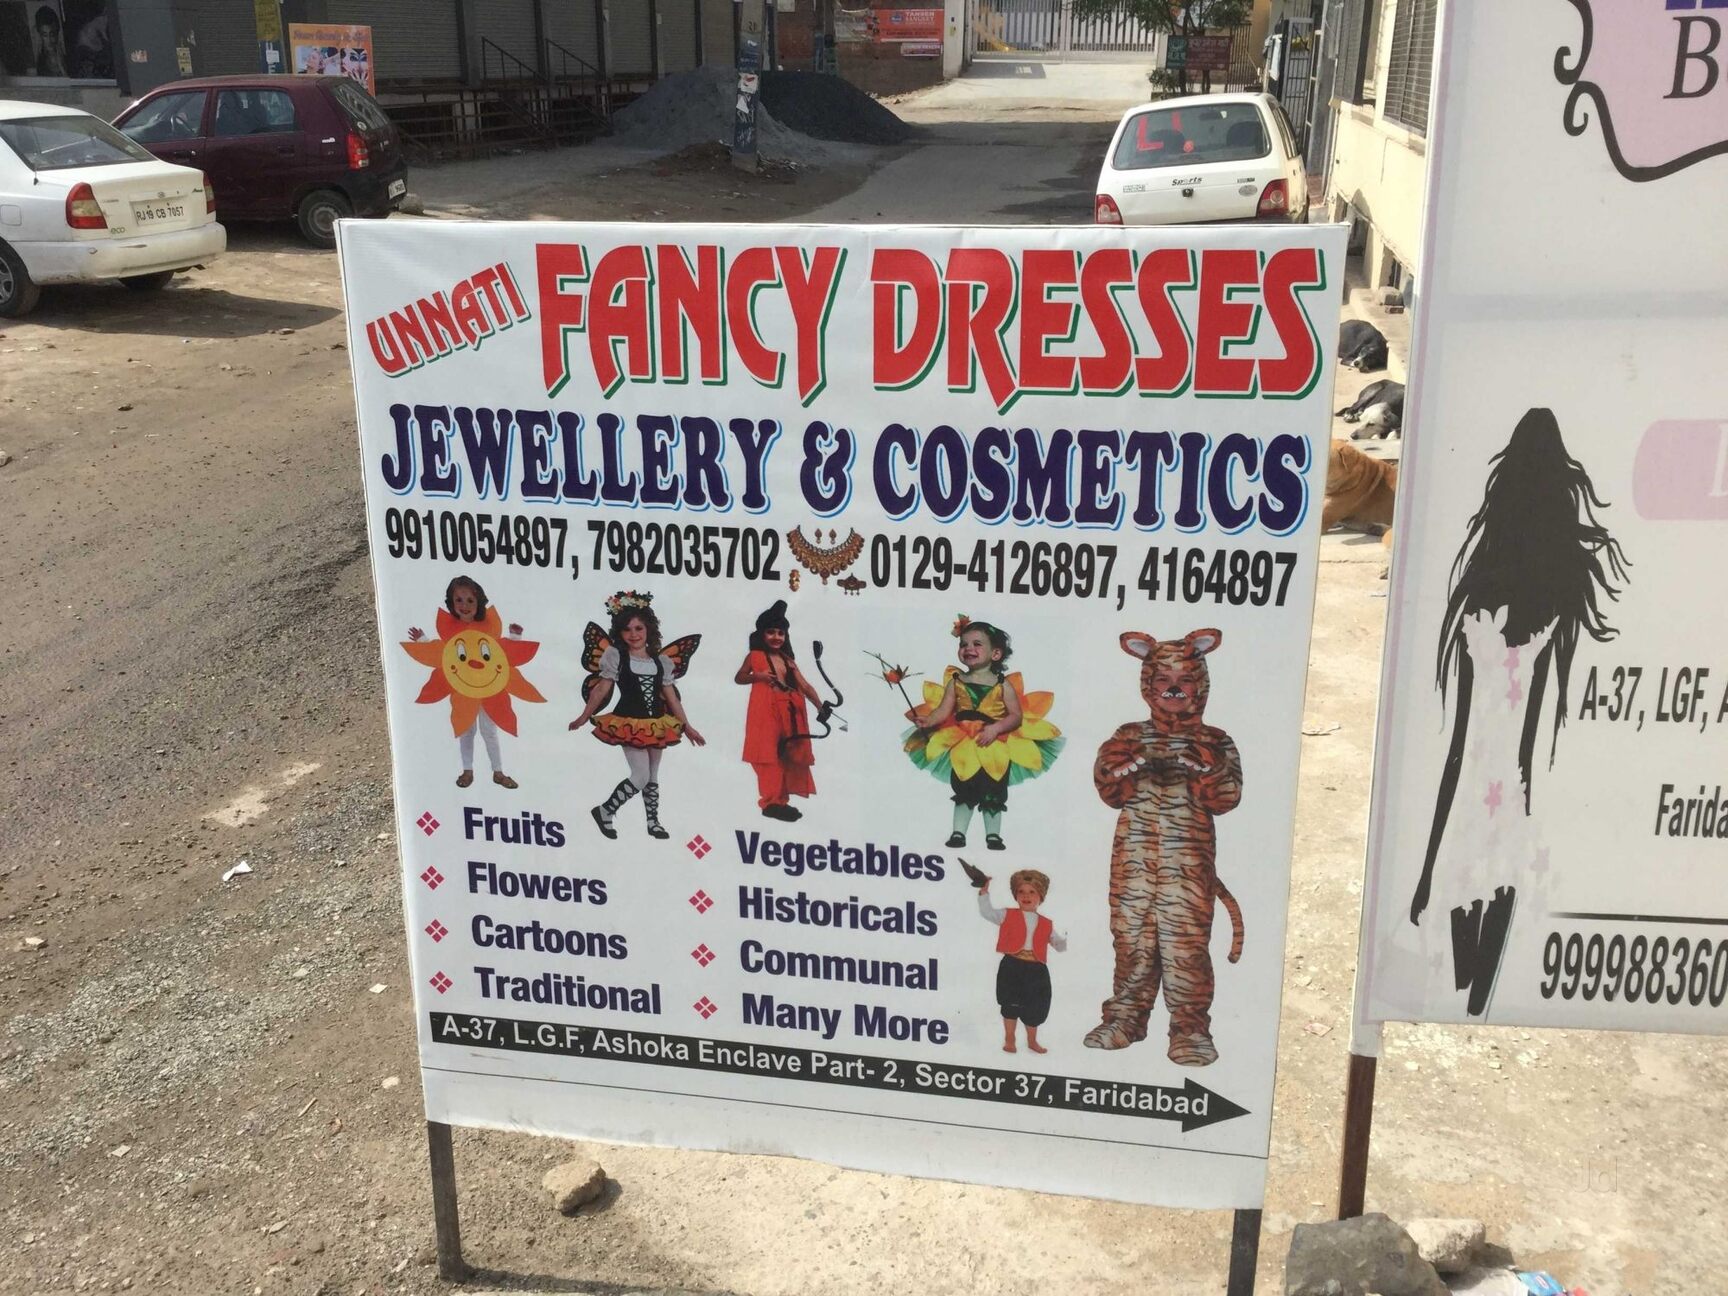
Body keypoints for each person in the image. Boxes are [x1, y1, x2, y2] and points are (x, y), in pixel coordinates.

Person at [902, 616, 1062, 850]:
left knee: (994, 789)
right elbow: (943, 711)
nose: (968, 648)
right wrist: (928, 720)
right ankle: (958, 832)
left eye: (977, 644)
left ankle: (993, 835)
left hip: (994, 744)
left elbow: (1015, 716)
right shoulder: (956, 681)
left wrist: (996, 728)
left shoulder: (1003, 685)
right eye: (963, 644)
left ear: (995, 654)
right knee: (963, 786)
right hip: (964, 743)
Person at [569, 591, 704, 840]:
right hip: (629, 722)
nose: (634, 634)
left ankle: (653, 822)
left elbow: (672, 698)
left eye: (639, 628)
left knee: (652, 776)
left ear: (648, 629)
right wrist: (584, 716)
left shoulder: (661, 661)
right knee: (640, 776)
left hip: (657, 723)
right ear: (620, 632)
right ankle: (605, 810)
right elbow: (601, 689)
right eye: (627, 629)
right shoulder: (616, 656)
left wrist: (688, 727)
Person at [406, 575, 527, 790]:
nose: (464, 605)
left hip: (489, 689)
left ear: (479, 601)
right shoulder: (453, 629)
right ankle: (467, 770)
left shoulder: (486, 626)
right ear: (451, 602)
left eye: (470, 600)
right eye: (459, 600)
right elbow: (443, 652)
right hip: (464, 690)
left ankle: (498, 772)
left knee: (489, 731)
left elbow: (500, 651)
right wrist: (422, 641)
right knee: (466, 730)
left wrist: (515, 637)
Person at [735, 600, 820, 822]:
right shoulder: (754, 656)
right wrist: (758, 677)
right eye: (771, 632)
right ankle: (771, 802)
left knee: (787, 756)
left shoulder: (788, 660)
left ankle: (780, 802)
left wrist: (820, 707)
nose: (776, 637)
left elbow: (805, 686)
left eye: (780, 633)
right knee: (767, 756)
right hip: (765, 714)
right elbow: (739, 677)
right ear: (762, 634)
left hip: (790, 715)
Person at [975, 869, 1066, 1054]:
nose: (1026, 896)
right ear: (1015, 895)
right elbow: (987, 912)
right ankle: (1010, 1038)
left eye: (1032, 892)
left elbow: (1059, 945)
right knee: (1010, 1003)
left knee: (1036, 1005)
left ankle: (1032, 1041)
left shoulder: (1046, 923)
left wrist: (1066, 939)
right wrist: (984, 892)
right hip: (1012, 966)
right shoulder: (1007, 914)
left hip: (1036, 969)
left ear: (1041, 897)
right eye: (1021, 892)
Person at [33, 6, 68, 77]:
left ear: (57, 33)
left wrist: (62, 68)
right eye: (45, 35)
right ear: (40, 35)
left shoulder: (67, 57)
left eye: (52, 34)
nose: (49, 40)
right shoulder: (39, 62)